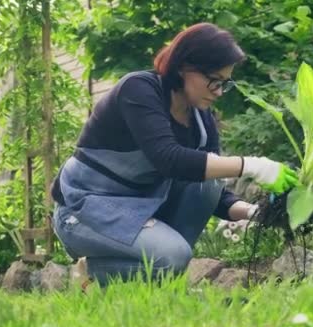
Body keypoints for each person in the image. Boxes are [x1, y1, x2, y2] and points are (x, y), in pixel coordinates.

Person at [50, 22, 298, 288]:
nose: (218, 91)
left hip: (137, 212)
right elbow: (167, 158)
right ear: (183, 67)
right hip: (84, 212)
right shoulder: (138, 90)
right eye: (213, 80)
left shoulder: (201, 120)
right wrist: (254, 166)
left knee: (209, 181)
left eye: (225, 83)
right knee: (173, 256)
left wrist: (253, 212)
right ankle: (81, 275)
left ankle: (159, 276)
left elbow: (213, 192)